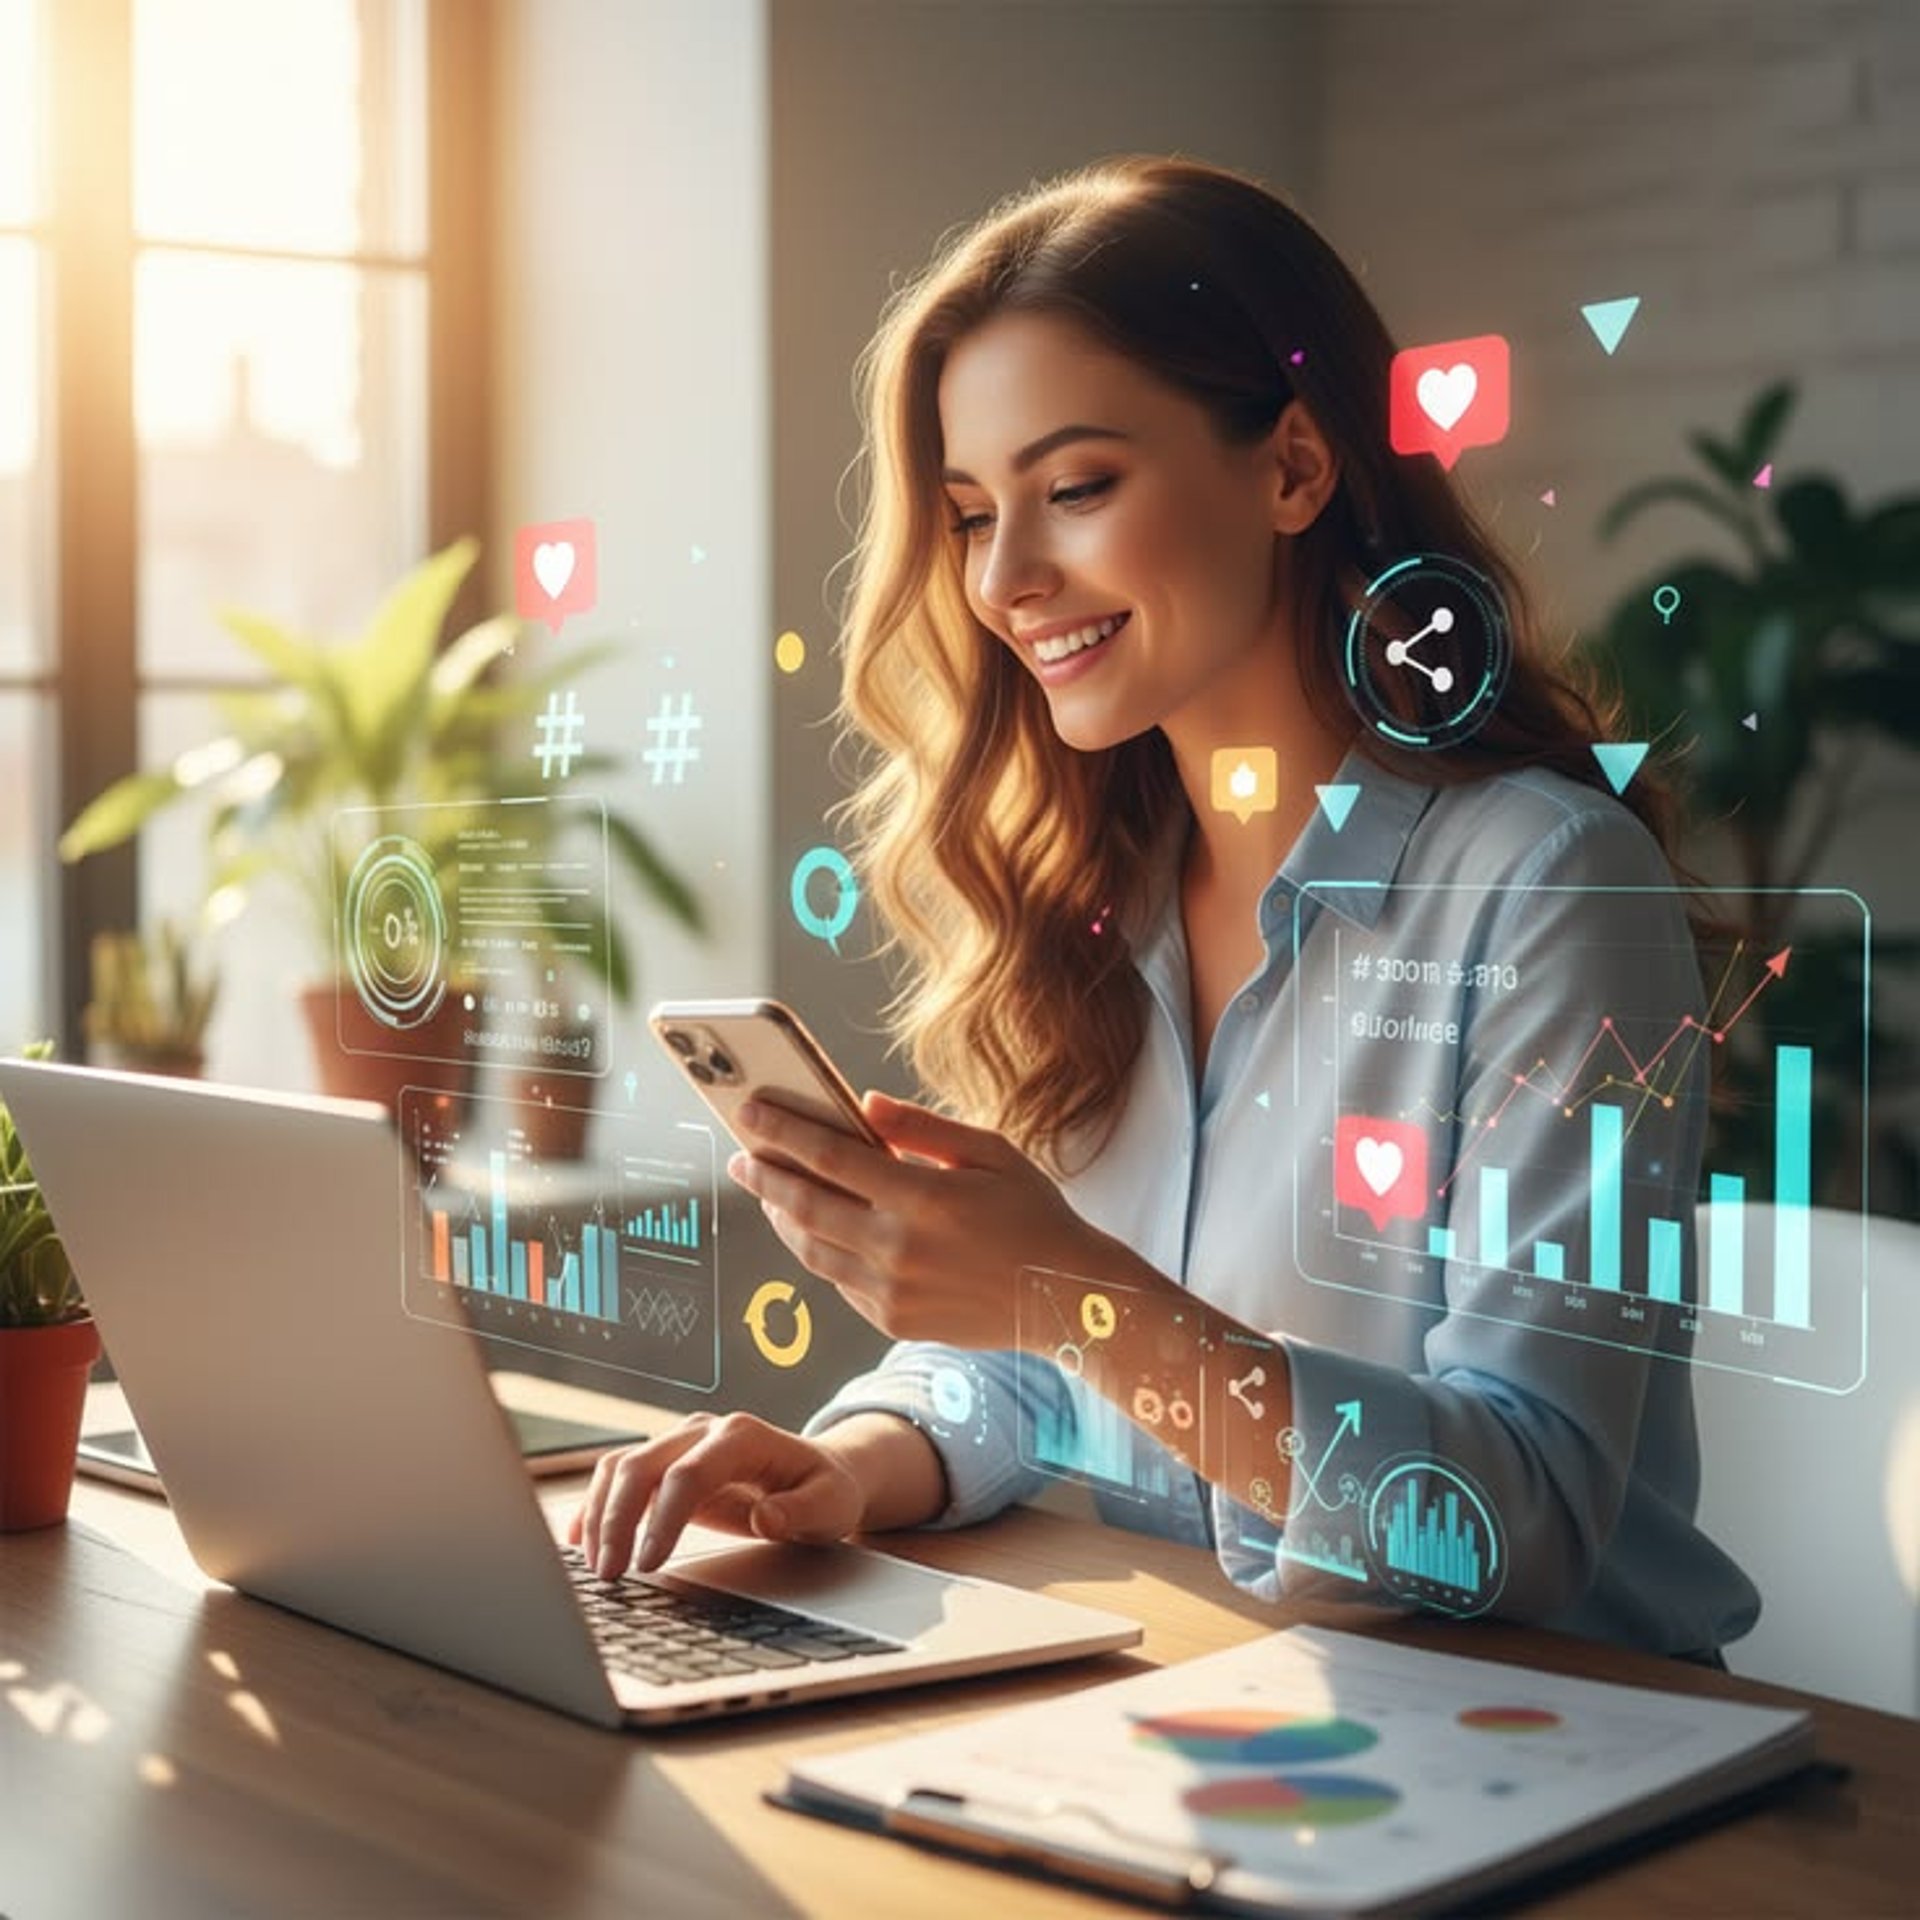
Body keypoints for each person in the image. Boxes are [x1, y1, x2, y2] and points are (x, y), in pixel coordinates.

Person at [573, 155, 1759, 1660]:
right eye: (965, 513)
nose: (1006, 578)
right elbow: (1045, 1373)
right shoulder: (1087, 901)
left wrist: (1069, 1292)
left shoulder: (1545, 887)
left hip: (1561, 1759)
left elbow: (1510, 1514)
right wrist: (857, 1464)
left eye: (1075, 488)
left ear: (1293, 469)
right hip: (1204, 1714)